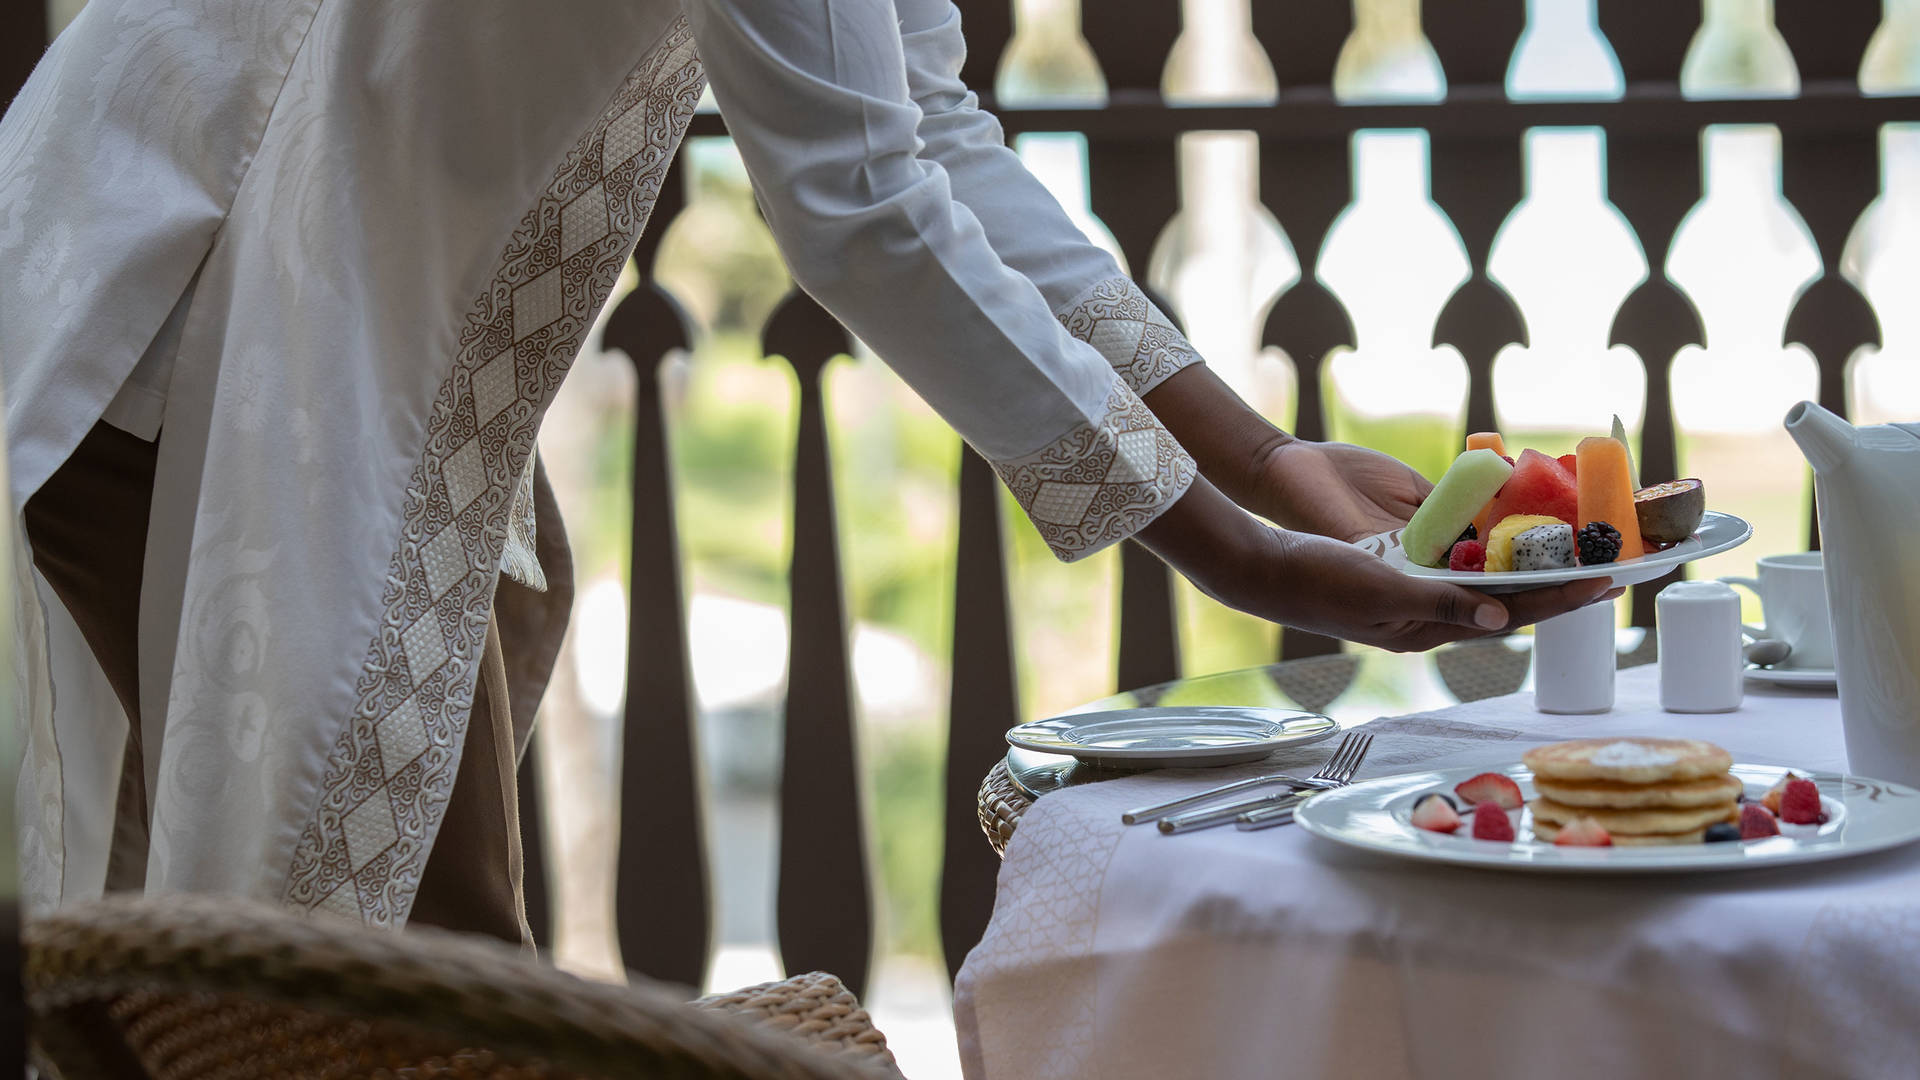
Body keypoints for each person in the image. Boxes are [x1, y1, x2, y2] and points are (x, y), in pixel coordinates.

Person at [1, 0, 1612, 944]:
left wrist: (1256, 458)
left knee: (333, 954)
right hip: (197, 291)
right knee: (391, 970)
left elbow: (925, 134)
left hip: (372, 342)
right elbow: (857, 207)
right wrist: (1238, 556)